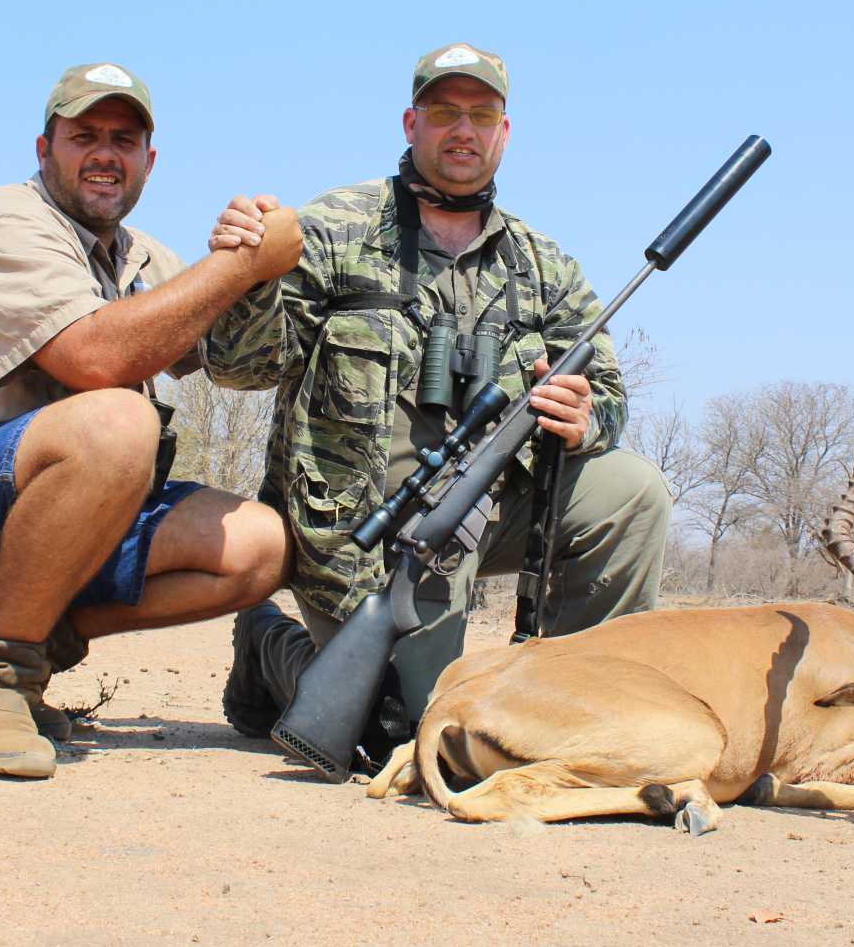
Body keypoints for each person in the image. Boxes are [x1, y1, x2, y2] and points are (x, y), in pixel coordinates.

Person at [0, 62, 302, 779]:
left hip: (53, 529)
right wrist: (235, 269)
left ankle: (36, 641)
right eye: (84, 135)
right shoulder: (3, 221)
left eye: (124, 138)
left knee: (261, 546)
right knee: (116, 421)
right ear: (44, 147)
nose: (105, 153)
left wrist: (255, 260)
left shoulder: (143, 255)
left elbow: (223, 358)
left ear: (150, 160)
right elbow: (95, 357)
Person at [201, 43, 671, 746]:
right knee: (398, 734)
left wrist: (584, 417)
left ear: (504, 133)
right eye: (444, 111)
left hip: (478, 515)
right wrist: (242, 272)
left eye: (482, 114)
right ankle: (271, 644)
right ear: (410, 123)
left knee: (635, 490)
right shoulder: (335, 227)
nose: (464, 129)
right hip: (355, 537)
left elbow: (606, 391)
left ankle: (584, 705)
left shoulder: (542, 263)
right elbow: (236, 368)